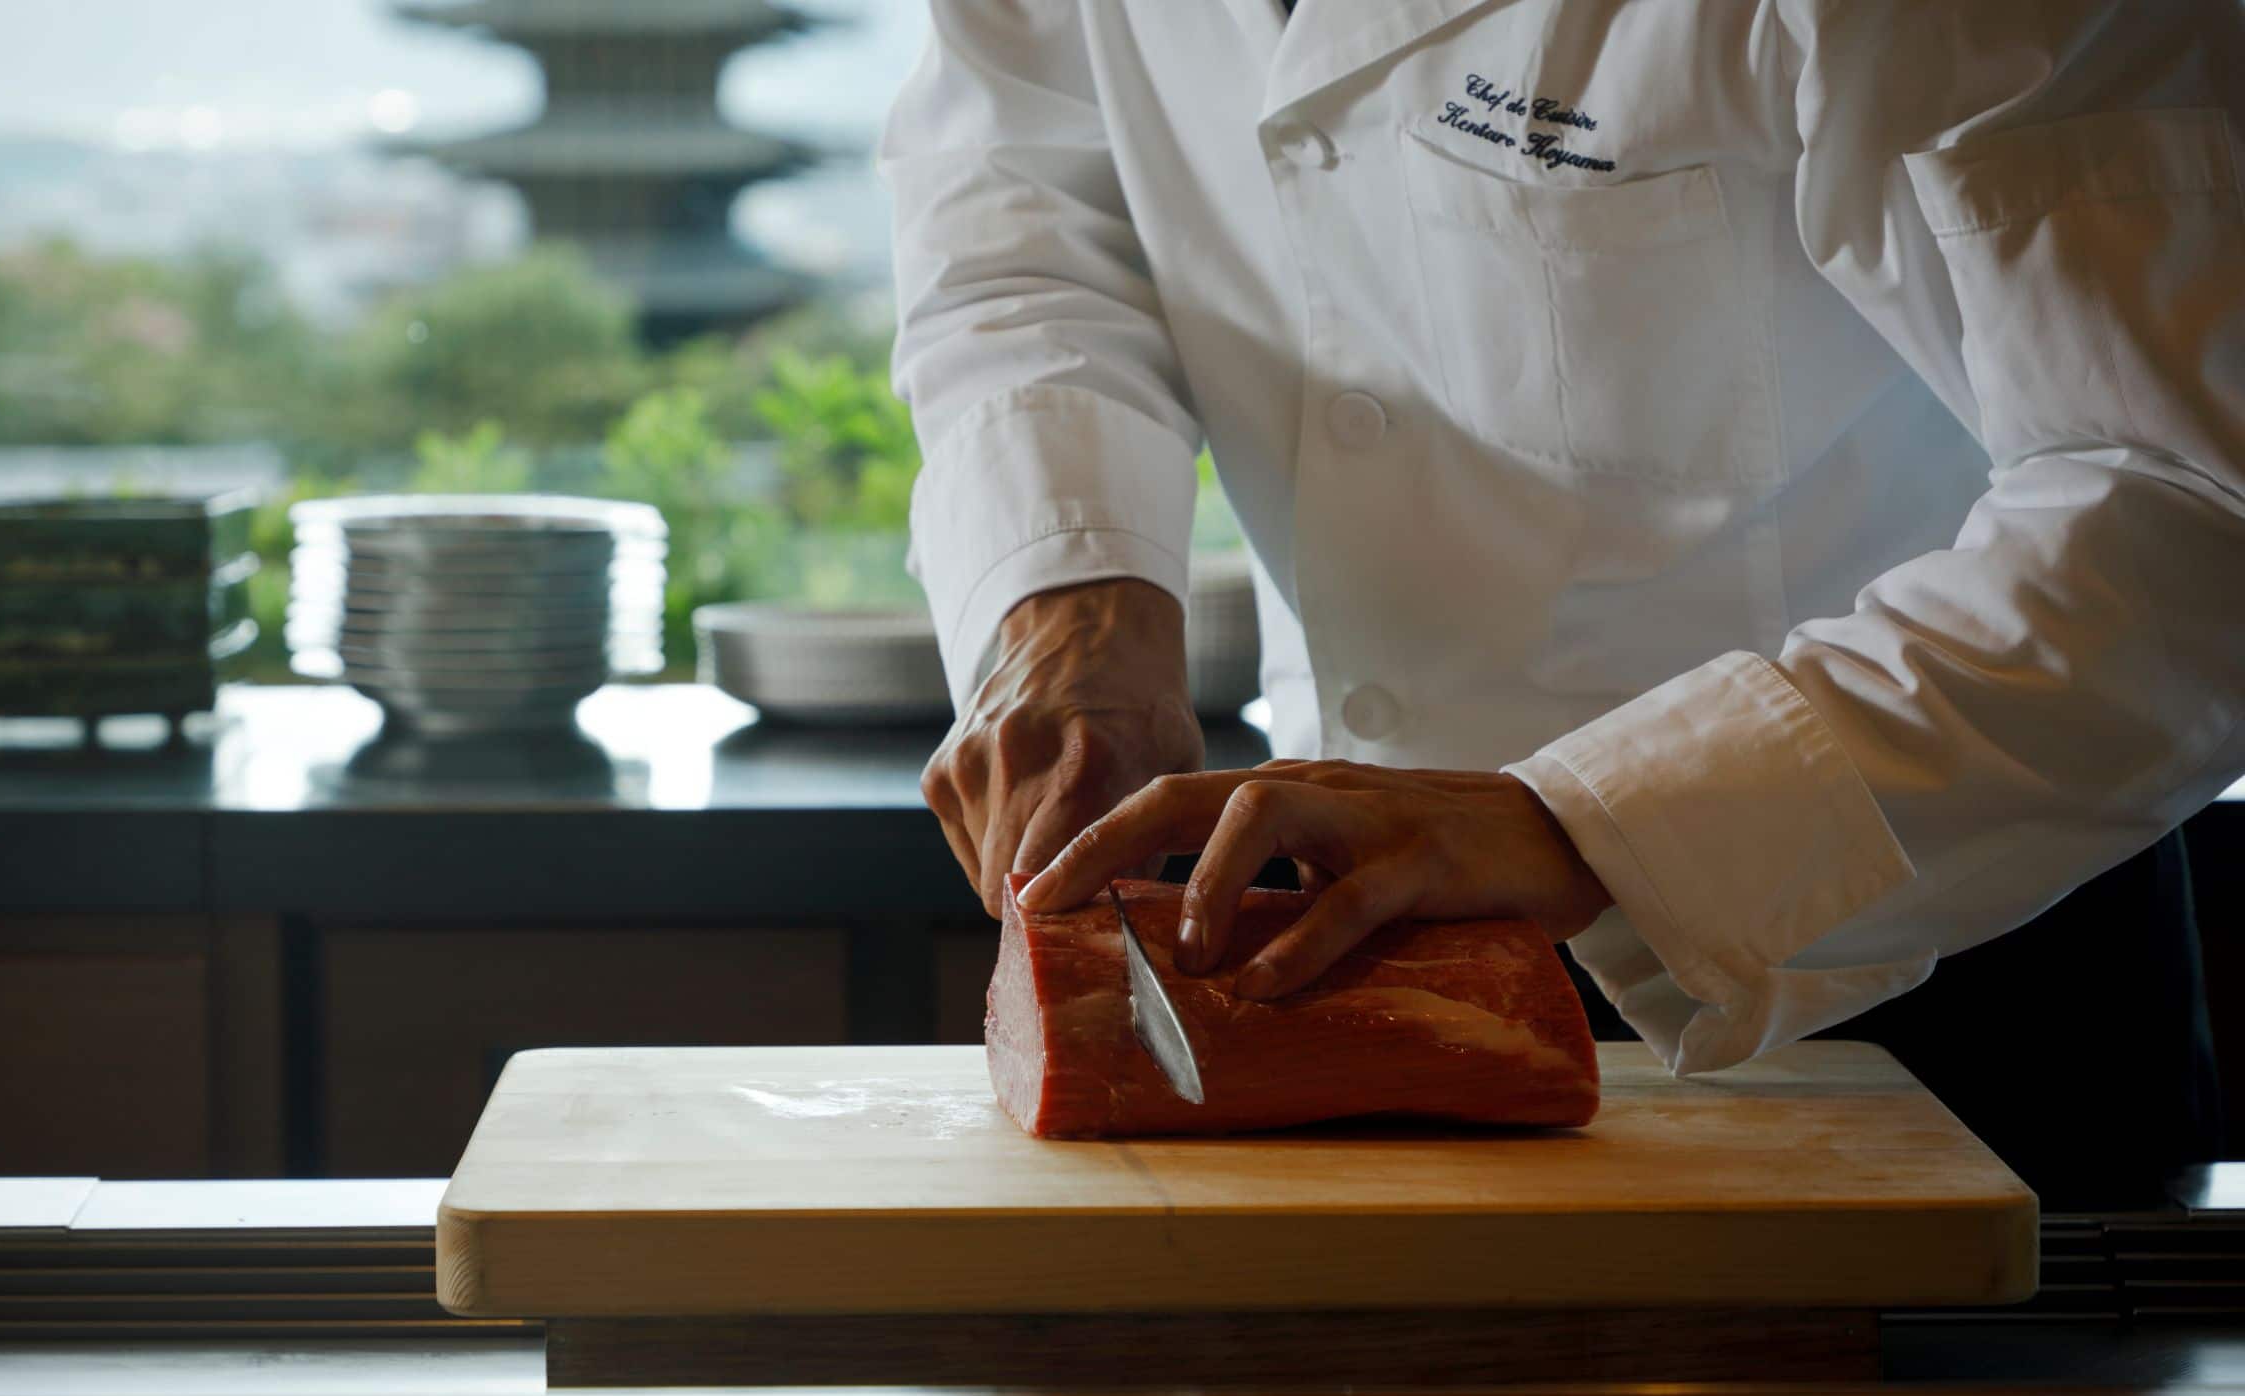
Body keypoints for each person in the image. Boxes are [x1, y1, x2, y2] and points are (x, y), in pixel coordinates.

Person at [882, 0, 2245, 1207]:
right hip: (1338, 944)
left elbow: (2193, 501)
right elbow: (1024, 233)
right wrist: (1075, 600)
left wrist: (1592, 823)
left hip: (1920, 934)